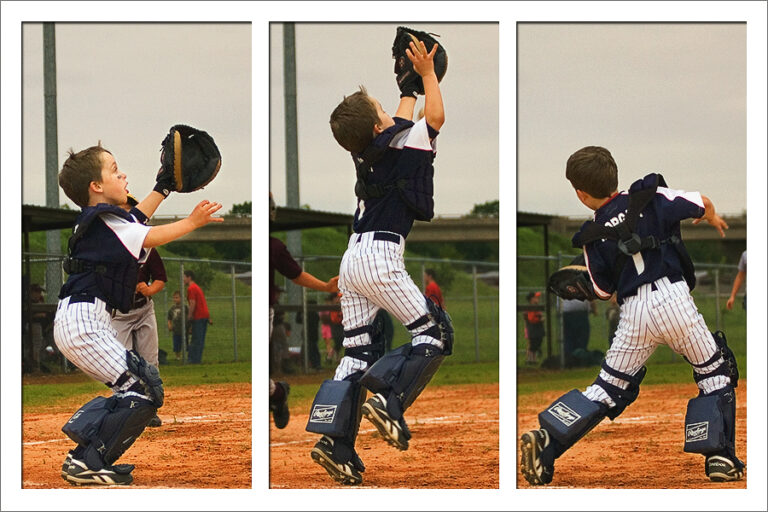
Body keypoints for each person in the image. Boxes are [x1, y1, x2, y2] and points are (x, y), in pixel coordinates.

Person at [520, 145, 742, 486]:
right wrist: (710, 216)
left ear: (581, 194)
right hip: (674, 300)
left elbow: (604, 291)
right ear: (614, 176)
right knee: (715, 371)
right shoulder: (650, 197)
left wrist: (584, 286)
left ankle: (548, 443)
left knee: (607, 388)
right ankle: (720, 457)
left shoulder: (591, 235)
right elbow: (703, 201)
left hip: (634, 314)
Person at [306, 37, 453, 486]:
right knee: (434, 334)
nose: (391, 111)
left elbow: (396, 123)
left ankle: (336, 443)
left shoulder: (367, 151)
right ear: (376, 127)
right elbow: (435, 119)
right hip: (379, 256)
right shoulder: (402, 144)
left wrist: (405, 88)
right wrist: (426, 77)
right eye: (381, 110)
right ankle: (389, 396)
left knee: (356, 352)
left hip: (352, 257)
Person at [53, 142, 223, 485]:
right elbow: (149, 233)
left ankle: (85, 455)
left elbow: (135, 219)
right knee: (144, 389)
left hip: (84, 321)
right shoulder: (105, 220)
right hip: (84, 323)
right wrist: (191, 221)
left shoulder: (105, 221)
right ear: (95, 187)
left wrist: (162, 188)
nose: (123, 174)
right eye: (114, 171)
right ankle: (90, 458)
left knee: (135, 387)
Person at [269, 192, 339, 429]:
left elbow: (295, 274)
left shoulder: (274, 246)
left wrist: (326, 286)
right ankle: (276, 393)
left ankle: (276, 394)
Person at [111, 194, 167, 427]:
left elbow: (161, 278)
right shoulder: (109, 245)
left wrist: (149, 289)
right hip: (119, 313)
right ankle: (123, 411)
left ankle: (148, 410)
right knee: (120, 362)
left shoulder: (146, 245)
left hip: (143, 309)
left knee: (149, 361)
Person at [183, 270, 210, 364]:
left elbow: (192, 303)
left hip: (199, 316)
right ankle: (197, 359)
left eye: (184, 277)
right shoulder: (197, 287)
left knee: (196, 339)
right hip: (204, 315)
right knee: (200, 339)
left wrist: (189, 315)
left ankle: (193, 360)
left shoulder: (191, 288)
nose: (183, 279)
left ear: (189, 277)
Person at [560, 297, 596, 363]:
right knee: (573, 337)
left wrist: (593, 307)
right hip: (573, 314)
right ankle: (573, 358)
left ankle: (576, 358)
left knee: (578, 337)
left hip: (576, 313)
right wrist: (594, 308)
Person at [523, 291, 545, 365]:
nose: (538, 299)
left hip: (537, 329)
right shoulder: (531, 308)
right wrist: (540, 319)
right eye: (536, 298)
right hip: (534, 329)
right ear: (532, 299)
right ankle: (531, 360)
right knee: (533, 345)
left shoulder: (536, 307)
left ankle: (533, 359)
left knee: (536, 343)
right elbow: (531, 319)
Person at [166, 290, 189, 361]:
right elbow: (169, 318)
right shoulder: (172, 308)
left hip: (184, 330)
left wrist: (190, 327)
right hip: (176, 330)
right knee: (176, 344)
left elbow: (189, 317)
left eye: (177, 297)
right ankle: (178, 357)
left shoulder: (185, 307)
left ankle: (185, 357)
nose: (175, 299)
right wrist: (169, 325)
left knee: (185, 344)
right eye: (174, 298)